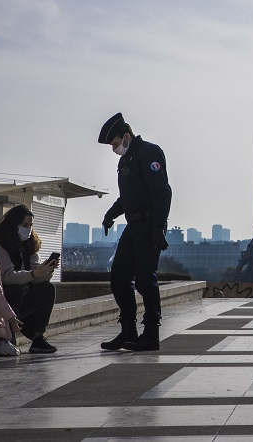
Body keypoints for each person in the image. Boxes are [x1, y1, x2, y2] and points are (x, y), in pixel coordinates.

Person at [98, 112, 172, 352]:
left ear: (127, 136)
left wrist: (159, 228)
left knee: (144, 279)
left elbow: (162, 192)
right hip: (134, 225)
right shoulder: (127, 159)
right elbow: (128, 197)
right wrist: (111, 214)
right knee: (119, 277)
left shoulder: (149, 152)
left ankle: (151, 333)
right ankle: (128, 330)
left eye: (116, 143)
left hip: (150, 224)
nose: (114, 149)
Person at [0, 205, 58, 354]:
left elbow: (35, 277)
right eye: (24, 225)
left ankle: (38, 338)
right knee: (17, 290)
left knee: (47, 288)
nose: (28, 229)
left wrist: (46, 270)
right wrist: (34, 274)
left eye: (30, 225)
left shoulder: (29, 245)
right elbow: (7, 277)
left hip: (24, 297)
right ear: (13, 225)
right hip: (5, 299)